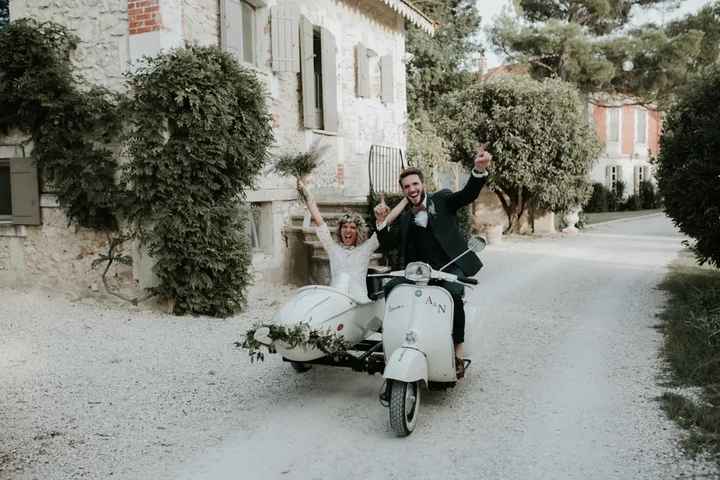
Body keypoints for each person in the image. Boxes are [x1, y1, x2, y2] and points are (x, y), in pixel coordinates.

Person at [373, 144, 492, 378]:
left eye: (415, 184)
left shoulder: (443, 200)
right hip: (418, 271)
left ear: (422, 184)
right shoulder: (405, 218)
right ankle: (398, 339)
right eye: (407, 187)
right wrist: (380, 222)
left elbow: (467, 195)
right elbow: (388, 244)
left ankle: (457, 352)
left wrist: (478, 171)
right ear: (404, 191)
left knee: (454, 295)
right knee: (390, 289)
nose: (412, 189)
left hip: (449, 265)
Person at [297, 179, 407, 303]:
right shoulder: (332, 248)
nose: (348, 230)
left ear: (358, 231)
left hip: (358, 303)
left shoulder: (366, 248)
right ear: (340, 230)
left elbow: (387, 221)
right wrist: (305, 193)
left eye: (352, 227)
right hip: (335, 301)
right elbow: (318, 219)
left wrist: (405, 199)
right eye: (344, 227)